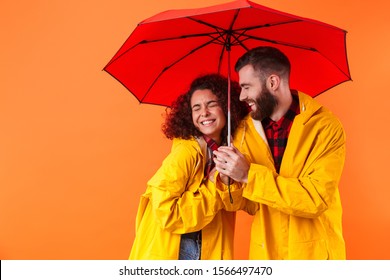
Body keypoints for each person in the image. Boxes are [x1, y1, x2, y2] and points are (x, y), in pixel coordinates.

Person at [213, 46, 346, 260]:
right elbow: (247, 204)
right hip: (266, 257)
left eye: (247, 87)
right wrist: (229, 181)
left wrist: (248, 175)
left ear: (272, 82)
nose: (241, 96)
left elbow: (315, 199)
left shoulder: (325, 127)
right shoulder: (244, 131)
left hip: (315, 257)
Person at [129, 74, 249, 260]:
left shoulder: (231, 151)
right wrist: (213, 185)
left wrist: (231, 179)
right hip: (178, 248)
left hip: (209, 244)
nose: (204, 113)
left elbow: (238, 203)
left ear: (227, 107)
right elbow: (166, 213)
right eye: (197, 108)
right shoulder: (186, 153)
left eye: (211, 104)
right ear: (189, 115)